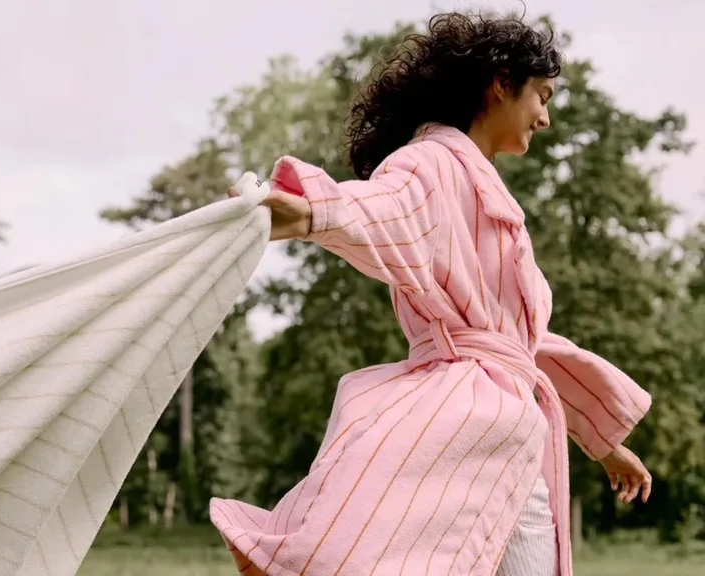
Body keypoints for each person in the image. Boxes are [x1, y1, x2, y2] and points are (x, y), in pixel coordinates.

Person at [212, 11, 653, 576]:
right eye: (541, 96)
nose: (546, 117)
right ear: (500, 83)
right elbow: (389, 209)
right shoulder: (430, 163)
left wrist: (600, 439)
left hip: (502, 426)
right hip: (467, 423)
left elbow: (524, 347)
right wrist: (311, 211)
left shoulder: (472, 180)